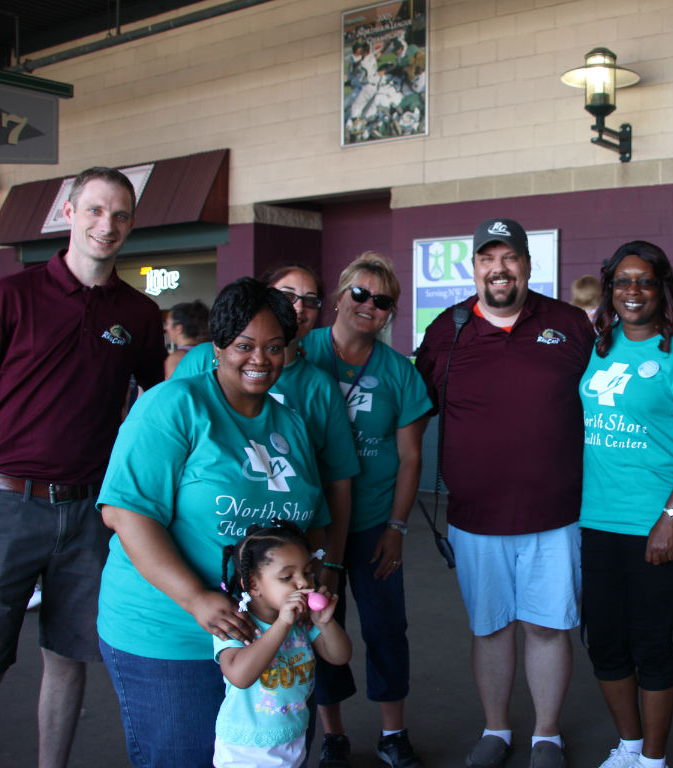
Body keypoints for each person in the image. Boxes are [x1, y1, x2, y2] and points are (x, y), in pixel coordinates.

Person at [0, 166, 164, 768]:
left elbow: (154, 409)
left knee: (68, 659)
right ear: (69, 213)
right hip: (6, 505)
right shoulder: (10, 296)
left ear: (131, 225)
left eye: (120, 215)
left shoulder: (137, 313)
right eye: (95, 211)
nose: (106, 225)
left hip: (88, 512)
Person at [96, 277, 328, 768]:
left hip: (267, 641)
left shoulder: (290, 425)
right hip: (168, 634)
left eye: (274, 347)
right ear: (218, 345)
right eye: (244, 345)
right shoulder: (173, 405)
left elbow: (314, 525)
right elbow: (126, 514)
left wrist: (316, 584)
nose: (260, 359)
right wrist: (196, 598)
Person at [415, 218, 595, 768]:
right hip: (475, 518)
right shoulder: (447, 330)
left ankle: (546, 735)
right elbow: (411, 407)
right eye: (488, 258)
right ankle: (496, 730)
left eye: (510, 257)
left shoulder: (568, 324)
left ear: (527, 265)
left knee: (547, 625)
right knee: (490, 628)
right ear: (474, 269)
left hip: (556, 514)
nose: (499, 268)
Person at [579, 241, 673, 768]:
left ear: (661, 287)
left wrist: (669, 518)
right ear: (610, 289)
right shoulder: (601, 345)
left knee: (649, 642)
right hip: (599, 518)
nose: (633, 291)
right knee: (603, 642)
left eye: (644, 281)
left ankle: (653, 760)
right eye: (623, 281)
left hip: (660, 522)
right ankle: (628, 746)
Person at [300, 252, 432, 768]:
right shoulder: (299, 352)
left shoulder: (400, 373)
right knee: (320, 624)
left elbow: (410, 457)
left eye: (382, 301)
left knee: (385, 627)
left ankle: (392, 733)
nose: (368, 306)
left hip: (374, 521)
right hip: (311, 524)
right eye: (359, 293)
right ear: (339, 295)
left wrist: (397, 527)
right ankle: (332, 734)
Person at [173, 263, 359, 605]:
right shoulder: (182, 393)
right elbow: (131, 510)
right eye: (287, 296)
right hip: (187, 609)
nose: (298, 307)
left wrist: (324, 563)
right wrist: (195, 597)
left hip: (281, 600)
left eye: (310, 300)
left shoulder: (299, 414)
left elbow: (329, 493)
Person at [214, 519, 351, 768]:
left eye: (307, 572)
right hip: (245, 750)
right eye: (287, 576)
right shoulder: (237, 624)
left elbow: (340, 656)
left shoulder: (302, 622)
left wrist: (325, 623)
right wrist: (281, 625)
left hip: (292, 739)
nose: (303, 583)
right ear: (253, 585)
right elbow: (239, 676)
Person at [164, 299, 211, 378]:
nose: (166, 328)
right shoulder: (211, 351)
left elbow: (175, 389)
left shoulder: (176, 359)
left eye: (168, 323)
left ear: (179, 328)